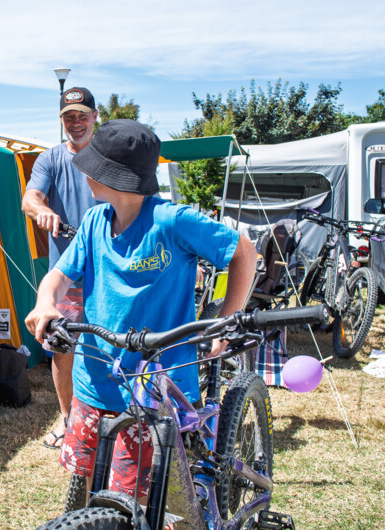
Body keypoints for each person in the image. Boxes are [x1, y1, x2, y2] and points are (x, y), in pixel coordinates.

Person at [25, 119, 257, 500]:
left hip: (154, 389)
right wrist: (45, 300)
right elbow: (59, 276)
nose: (84, 172)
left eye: (93, 166)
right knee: (93, 485)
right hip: (93, 381)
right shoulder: (94, 222)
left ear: (114, 178)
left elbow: (244, 253)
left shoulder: (172, 220)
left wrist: (226, 322)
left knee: (138, 500)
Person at [22, 87, 100, 449]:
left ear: (95, 117)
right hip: (64, 278)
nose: (76, 122)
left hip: (107, 276)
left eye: (83, 115)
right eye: (69, 117)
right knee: (62, 350)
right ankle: (69, 421)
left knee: (111, 351)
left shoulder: (106, 156)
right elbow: (30, 199)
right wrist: (44, 212)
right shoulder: (50, 159)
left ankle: (112, 421)